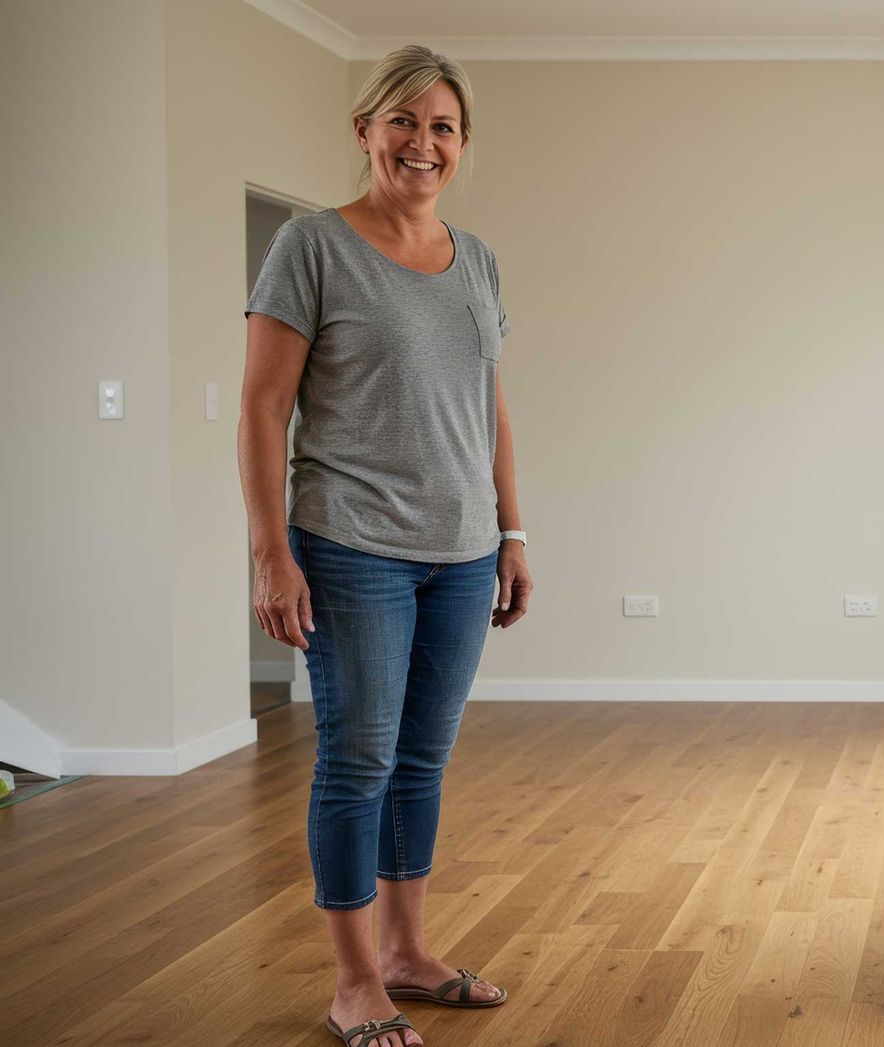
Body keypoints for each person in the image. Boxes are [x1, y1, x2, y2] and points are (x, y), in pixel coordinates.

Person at [238, 45, 531, 1047]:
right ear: (364, 130)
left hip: (460, 553)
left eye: (442, 126)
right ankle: (356, 980)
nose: (422, 143)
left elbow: (487, 405)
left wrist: (511, 531)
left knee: (421, 759)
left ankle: (410, 953)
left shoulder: (477, 259)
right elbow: (263, 406)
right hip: (350, 544)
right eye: (403, 121)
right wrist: (270, 551)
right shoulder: (312, 246)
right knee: (355, 759)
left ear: (463, 146)